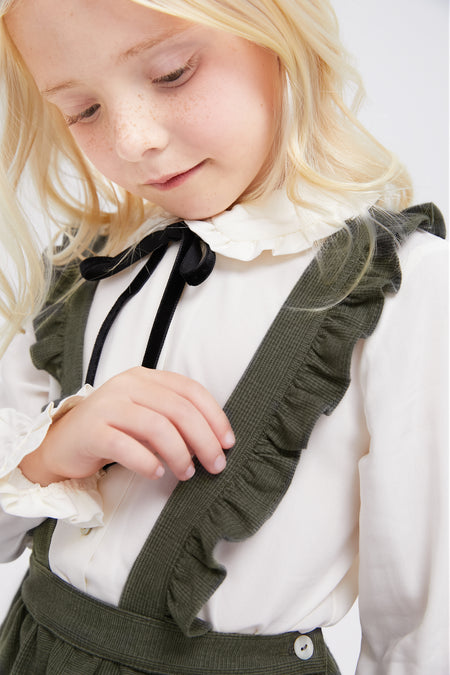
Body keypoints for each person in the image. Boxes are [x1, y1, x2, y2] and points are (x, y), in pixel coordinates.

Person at [0, 0, 447, 673]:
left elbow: (424, 627)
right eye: (84, 110)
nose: (132, 140)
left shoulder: (403, 285)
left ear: (277, 32)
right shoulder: (90, 266)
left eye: (172, 73)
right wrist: (51, 451)